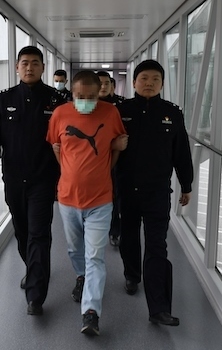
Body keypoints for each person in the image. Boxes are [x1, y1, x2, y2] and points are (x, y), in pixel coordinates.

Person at [0, 45, 67, 316]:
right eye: (24, 63)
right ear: (17, 67)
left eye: (35, 63)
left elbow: (68, 139)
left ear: (43, 68)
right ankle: (33, 269)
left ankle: (35, 296)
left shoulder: (56, 101)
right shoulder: (4, 99)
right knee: (22, 231)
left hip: (44, 178)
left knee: (39, 233)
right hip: (15, 178)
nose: (29, 67)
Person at [47, 70, 127, 336]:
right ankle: (81, 276)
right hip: (68, 198)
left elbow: (116, 146)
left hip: (100, 199)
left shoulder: (110, 113)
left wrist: (105, 168)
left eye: (91, 96)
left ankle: (91, 312)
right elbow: (57, 147)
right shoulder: (60, 114)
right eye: (80, 96)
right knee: (75, 249)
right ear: (72, 93)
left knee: (95, 256)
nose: (85, 101)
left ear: (99, 93)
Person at [115, 59, 193, 327]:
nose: (149, 83)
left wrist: (187, 184)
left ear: (162, 84)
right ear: (134, 82)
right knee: (128, 236)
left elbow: (181, 152)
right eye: (144, 79)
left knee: (157, 245)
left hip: (158, 191)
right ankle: (132, 274)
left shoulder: (172, 113)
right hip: (126, 188)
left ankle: (159, 307)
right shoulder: (121, 111)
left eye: (155, 79)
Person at [97, 71, 126, 247]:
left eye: (107, 83)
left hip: (116, 160)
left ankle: (115, 230)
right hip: (94, 160)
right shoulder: (87, 105)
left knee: (115, 196)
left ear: (112, 85)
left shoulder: (122, 105)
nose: (103, 86)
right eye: (99, 83)